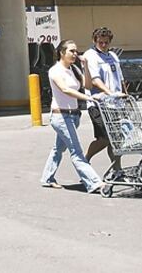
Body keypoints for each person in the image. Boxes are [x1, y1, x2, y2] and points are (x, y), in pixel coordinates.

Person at [40, 40, 103, 193]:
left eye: (76, 51)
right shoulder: (55, 71)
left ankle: (47, 178)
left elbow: (87, 85)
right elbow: (65, 89)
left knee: (58, 149)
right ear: (62, 53)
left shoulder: (73, 69)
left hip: (74, 116)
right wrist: (87, 98)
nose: (75, 54)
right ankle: (94, 183)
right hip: (61, 116)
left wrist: (86, 65)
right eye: (71, 51)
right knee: (76, 151)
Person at [81, 27, 126, 171]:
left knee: (117, 139)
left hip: (116, 104)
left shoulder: (113, 56)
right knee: (105, 138)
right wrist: (109, 92)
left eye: (106, 42)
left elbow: (120, 78)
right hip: (98, 104)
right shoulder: (91, 56)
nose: (104, 45)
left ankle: (117, 169)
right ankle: (85, 159)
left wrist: (126, 95)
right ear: (94, 41)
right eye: (100, 42)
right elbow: (95, 80)